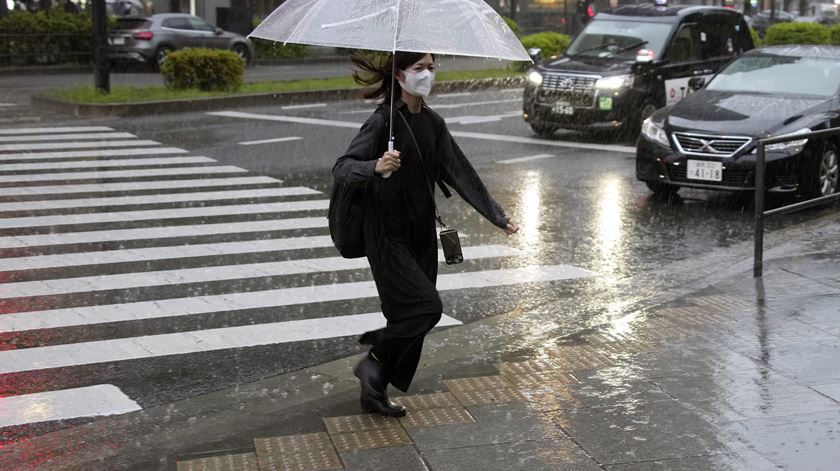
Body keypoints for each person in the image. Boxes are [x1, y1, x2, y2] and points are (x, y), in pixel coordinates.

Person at [332, 52, 520, 417]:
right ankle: (372, 359)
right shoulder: (383, 121)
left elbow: (460, 172)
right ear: (400, 76)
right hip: (385, 232)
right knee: (427, 307)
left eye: (431, 68)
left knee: (406, 314)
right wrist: (376, 165)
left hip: (420, 231)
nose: (427, 75)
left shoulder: (433, 124)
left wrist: (497, 215)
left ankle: (374, 390)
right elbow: (342, 167)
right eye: (418, 68)